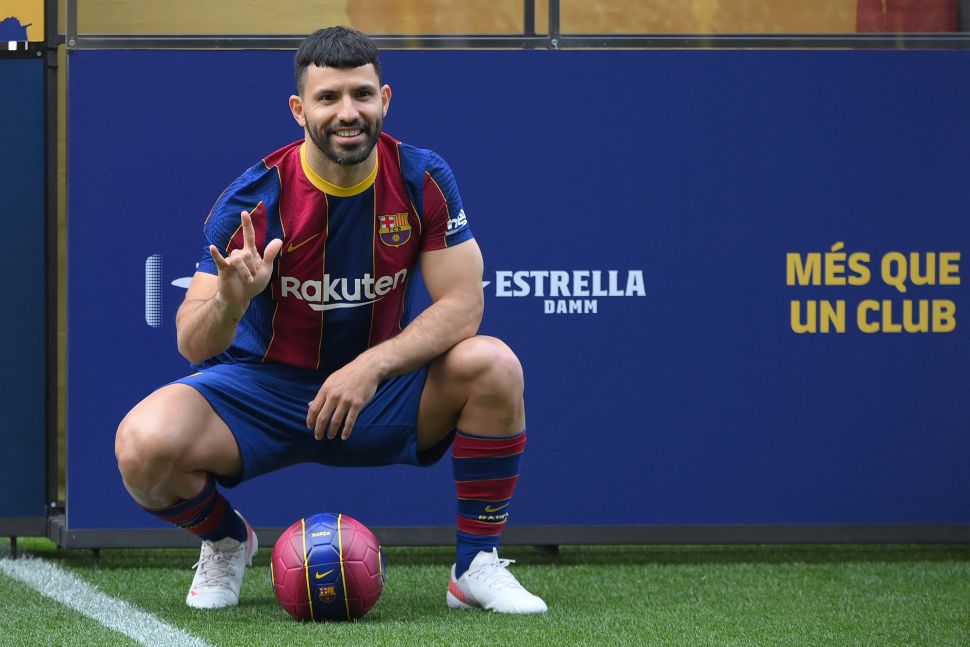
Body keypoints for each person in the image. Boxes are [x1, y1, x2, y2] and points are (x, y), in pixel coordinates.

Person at [114, 25, 546, 615]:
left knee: (494, 365)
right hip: (263, 390)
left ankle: (475, 565)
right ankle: (225, 542)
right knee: (142, 443)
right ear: (299, 109)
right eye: (328, 98)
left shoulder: (422, 179)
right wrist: (231, 301)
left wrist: (370, 366)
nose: (348, 112)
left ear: (385, 100)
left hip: (380, 389)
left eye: (362, 95)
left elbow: (463, 305)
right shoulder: (252, 202)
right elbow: (193, 341)